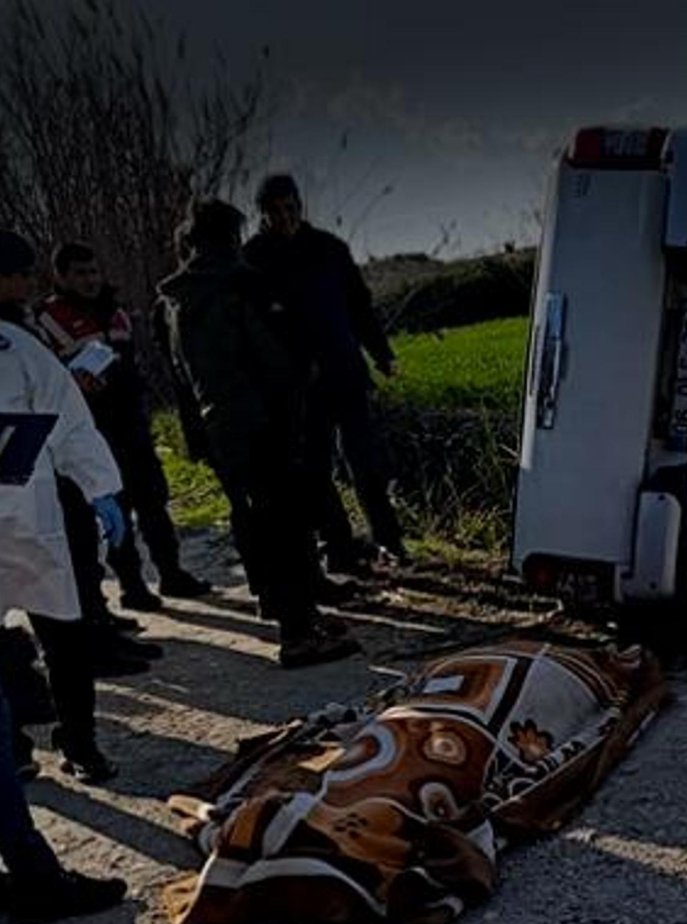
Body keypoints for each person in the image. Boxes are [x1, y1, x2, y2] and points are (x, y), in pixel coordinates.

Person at [157, 200, 360, 668]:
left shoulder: (177, 299)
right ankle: (298, 634)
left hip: (220, 428)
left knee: (255, 521)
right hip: (266, 422)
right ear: (232, 235)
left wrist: (199, 435)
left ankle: (291, 610)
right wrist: (297, 410)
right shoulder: (241, 285)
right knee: (286, 524)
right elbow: (276, 362)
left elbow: (180, 377)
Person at [0, 229, 129, 922]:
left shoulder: (20, 349)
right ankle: (29, 862)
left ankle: (73, 746)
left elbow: (69, 423)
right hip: (19, 523)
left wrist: (98, 485)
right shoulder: (20, 345)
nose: (21, 287)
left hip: (24, 527)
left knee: (62, 635)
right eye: (12, 276)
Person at [34, 243, 211, 611]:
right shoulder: (47, 319)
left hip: (132, 423)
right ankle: (132, 585)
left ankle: (171, 573)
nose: (90, 280)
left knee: (153, 500)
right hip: (89, 431)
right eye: (80, 273)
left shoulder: (116, 314)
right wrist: (75, 386)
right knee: (112, 507)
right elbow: (43, 382)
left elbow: (133, 364)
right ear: (61, 277)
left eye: (94, 271)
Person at [244, 174, 408, 572]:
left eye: (291, 208)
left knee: (365, 461)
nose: (285, 217)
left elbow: (359, 306)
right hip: (298, 385)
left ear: (300, 205)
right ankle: (338, 546)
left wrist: (382, 354)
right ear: (262, 214)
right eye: (276, 211)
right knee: (315, 468)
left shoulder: (329, 249)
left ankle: (389, 540)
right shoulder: (254, 260)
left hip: (346, 371)